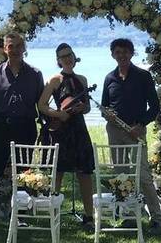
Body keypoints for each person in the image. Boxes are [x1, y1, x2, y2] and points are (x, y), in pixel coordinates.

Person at [0, 32, 44, 228]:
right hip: (0, 128)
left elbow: (42, 104)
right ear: (5, 49)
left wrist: (48, 124)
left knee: (24, 174)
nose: (14, 50)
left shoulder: (35, 74)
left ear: (24, 49)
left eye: (18, 46)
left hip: (25, 127)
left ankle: (20, 217)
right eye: (10, 46)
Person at [101, 37, 161, 230]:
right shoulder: (109, 78)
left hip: (136, 130)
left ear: (132, 53)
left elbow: (155, 107)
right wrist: (107, 115)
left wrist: (141, 124)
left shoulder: (143, 76)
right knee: (120, 174)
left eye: (125, 52)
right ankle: (128, 214)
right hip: (115, 131)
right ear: (113, 55)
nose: (122, 55)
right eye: (118, 52)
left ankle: (157, 217)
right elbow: (104, 106)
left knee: (143, 174)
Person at [37, 43, 96, 231]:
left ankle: (89, 216)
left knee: (84, 173)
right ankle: (53, 212)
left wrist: (82, 108)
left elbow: (87, 107)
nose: (67, 58)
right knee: (58, 172)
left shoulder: (83, 79)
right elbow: (42, 105)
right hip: (61, 129)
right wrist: (58, 114)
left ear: (74, 56)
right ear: (58, 61)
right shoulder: (55, 79)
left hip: (79, 129)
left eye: (69, 55)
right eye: (63, 56)